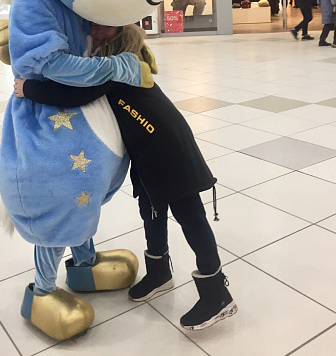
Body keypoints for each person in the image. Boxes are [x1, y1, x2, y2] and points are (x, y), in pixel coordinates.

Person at [13, 23, 237, 331]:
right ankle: (159, 273)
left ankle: (216, 294)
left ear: (121, 32)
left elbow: (75, 94)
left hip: (169, 148)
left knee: (190, 217)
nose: (97, 30)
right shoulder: (111, 61)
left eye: (106, 27)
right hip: (146, 151)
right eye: (95, 25)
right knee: (151, 211)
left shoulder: (118, 65)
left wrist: (28, 89)